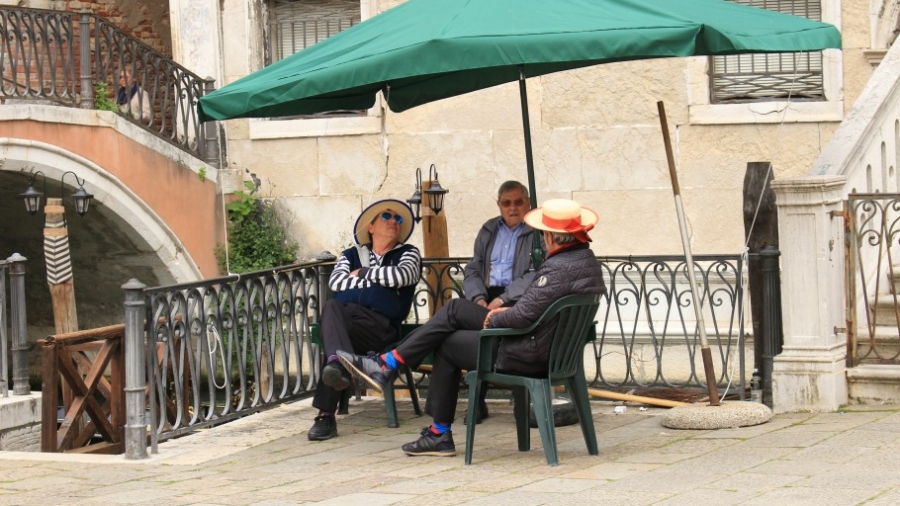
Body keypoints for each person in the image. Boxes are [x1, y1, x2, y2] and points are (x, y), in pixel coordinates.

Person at [338, 198, 606, 457]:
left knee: (449, 333)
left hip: (526, 354)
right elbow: (535, 310)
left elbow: (522, 318)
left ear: (550, 236)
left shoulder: (558, 268)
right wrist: (510, 311)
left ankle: (418, 404)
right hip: (549, 352)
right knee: (454, 315)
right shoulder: (585, 262)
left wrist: (495, 317)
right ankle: (393, 368)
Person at [307, 199, 422, 441]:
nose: (394, 221)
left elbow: (402, 276)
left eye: (398, 219)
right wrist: (379, 287)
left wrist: (363, 274)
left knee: (334, 323)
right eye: (387, 217)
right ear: (370, 227)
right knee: (332, 306)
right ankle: (336, 373)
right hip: (350, 324)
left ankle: (326, 413)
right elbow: (337, 283)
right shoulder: (351, 254)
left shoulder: (408, 253)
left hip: (382, 327)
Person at [461, 180, 540, 423]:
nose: (513, 208)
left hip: (518, 296)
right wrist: (478, 298)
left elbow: (536, 273)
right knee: (469, 333)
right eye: (507, 203)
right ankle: (477, 401)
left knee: (497, 332)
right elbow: (473, 268)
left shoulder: (536, 230)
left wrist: (504, 299)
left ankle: (519, 401)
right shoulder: (488, 230)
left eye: (518, 202)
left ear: (527, 202)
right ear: (499, 205)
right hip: (486, 294)